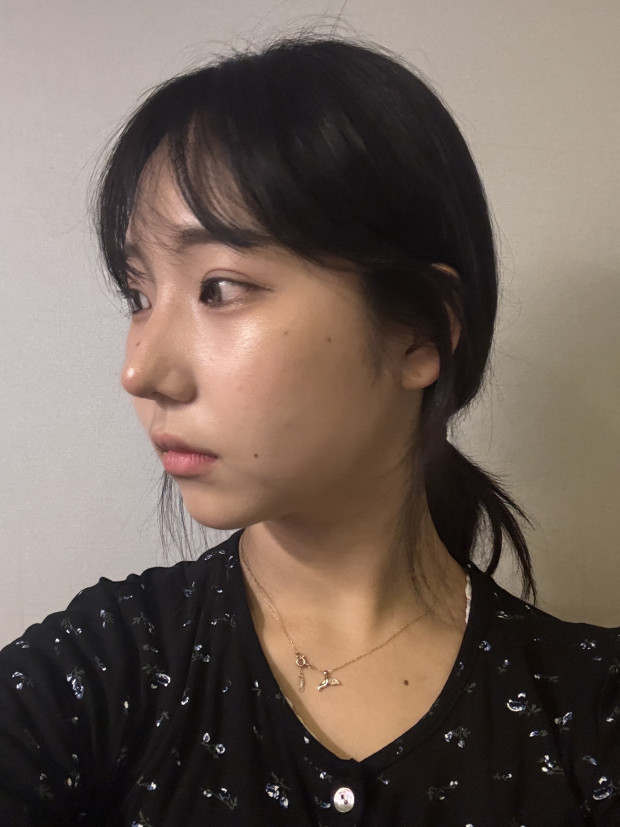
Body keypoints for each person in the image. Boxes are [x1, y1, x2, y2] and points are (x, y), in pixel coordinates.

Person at [1, 35, 618, 826]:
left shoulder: (587, 717)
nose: (140, 370)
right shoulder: (97, 674)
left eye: (219, 288)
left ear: (420, 331)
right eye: (138, 295)